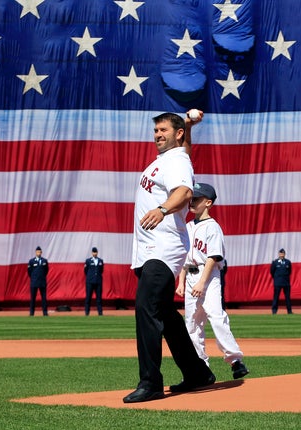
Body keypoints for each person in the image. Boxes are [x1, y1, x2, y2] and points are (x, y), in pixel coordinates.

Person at [123, 111, 215, 404]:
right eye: (155, 130)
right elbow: (183, 151)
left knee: (145, 307)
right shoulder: (172, 159)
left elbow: (185, 191)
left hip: (163, 249)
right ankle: (197, 372)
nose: (157, 134)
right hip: (151, 249)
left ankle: (150, 382)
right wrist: (187, 126)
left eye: (163, 129)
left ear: (175, 134)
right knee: (164, 314)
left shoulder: (176, 161)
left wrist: (162, 209)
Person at [176, 183, 249, 380]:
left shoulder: (213, 227)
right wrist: (181, 281)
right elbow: (184, 258)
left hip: (208, 277)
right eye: (192, 198)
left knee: (216, 316)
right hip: (190, 275)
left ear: (208, 203)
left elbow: (213, 257)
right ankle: (201, 368)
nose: (192, 202)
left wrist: (201, 282)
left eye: (197, 199)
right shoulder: (188, 226)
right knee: (192, 324)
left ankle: (235, 360)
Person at [27, 246, 49, 316]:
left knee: (44, 298)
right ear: (35, 252)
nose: (38, 253)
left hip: (42, 282)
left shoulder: (44, 261)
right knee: (33, 298)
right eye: (37, 252)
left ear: (41, 252)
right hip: (34, 282)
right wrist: (33, 277)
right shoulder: (31, 261)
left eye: (40, 252)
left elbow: (46, 270)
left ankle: (45, 312)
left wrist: (42, 277)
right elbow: (29, 272)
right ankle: (32, 312)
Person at [270, 248, 293, 314]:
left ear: (284, 254)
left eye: (283, 254)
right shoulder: (275, 262)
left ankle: (289, 311)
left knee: (287, 297)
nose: (282, 255)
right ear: (279, 254)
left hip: (286, 283)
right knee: (276, 297)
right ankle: (274, 311)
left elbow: (289, 271)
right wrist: (276, 278)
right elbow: (272, 272)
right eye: (280, 254)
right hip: (278, 282)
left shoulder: (288, 262)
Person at [84, 247, 104, 316]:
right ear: (92, 253)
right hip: (90, 282)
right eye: (93, 252)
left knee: (99, 298)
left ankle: (100, 312)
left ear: (97, 253)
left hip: (98, 282)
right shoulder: (88, 261)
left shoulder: (100, 261)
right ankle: (87, 312)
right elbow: (85, 271)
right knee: (88, 297)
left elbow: (101, 270)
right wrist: (90, 277)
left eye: (96, 252)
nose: (94, 253)